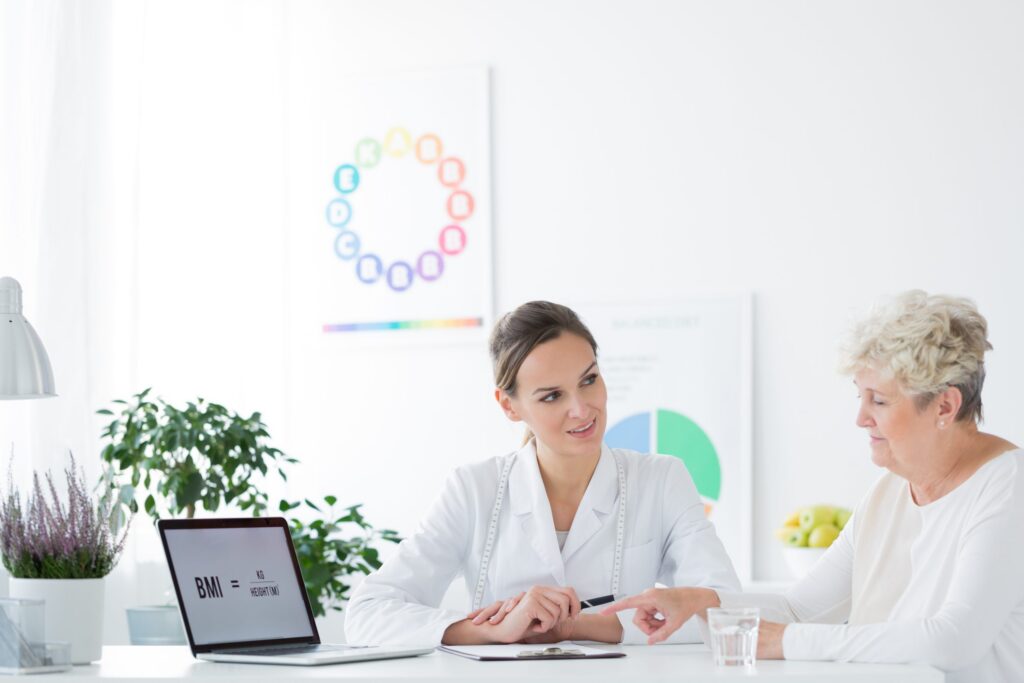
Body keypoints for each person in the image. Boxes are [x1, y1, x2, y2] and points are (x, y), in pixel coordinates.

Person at [602, 291, 1024, 683]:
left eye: (878, 400)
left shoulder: (1007, 487)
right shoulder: (888, 492)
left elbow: (952, 640)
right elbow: (798, 610)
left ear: (945, 405)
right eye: (859, 396)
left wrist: (785, 642)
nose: (861, 417)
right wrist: (702, 603)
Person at [345, 301, 740, 646]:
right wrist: (494, 630)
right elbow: (367, 614)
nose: (582, 409)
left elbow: (727, 608)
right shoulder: (473, 489)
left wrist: (576, 628)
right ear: (509, 406)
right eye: (552, 396)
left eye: (589, 380)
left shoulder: (661, 480)